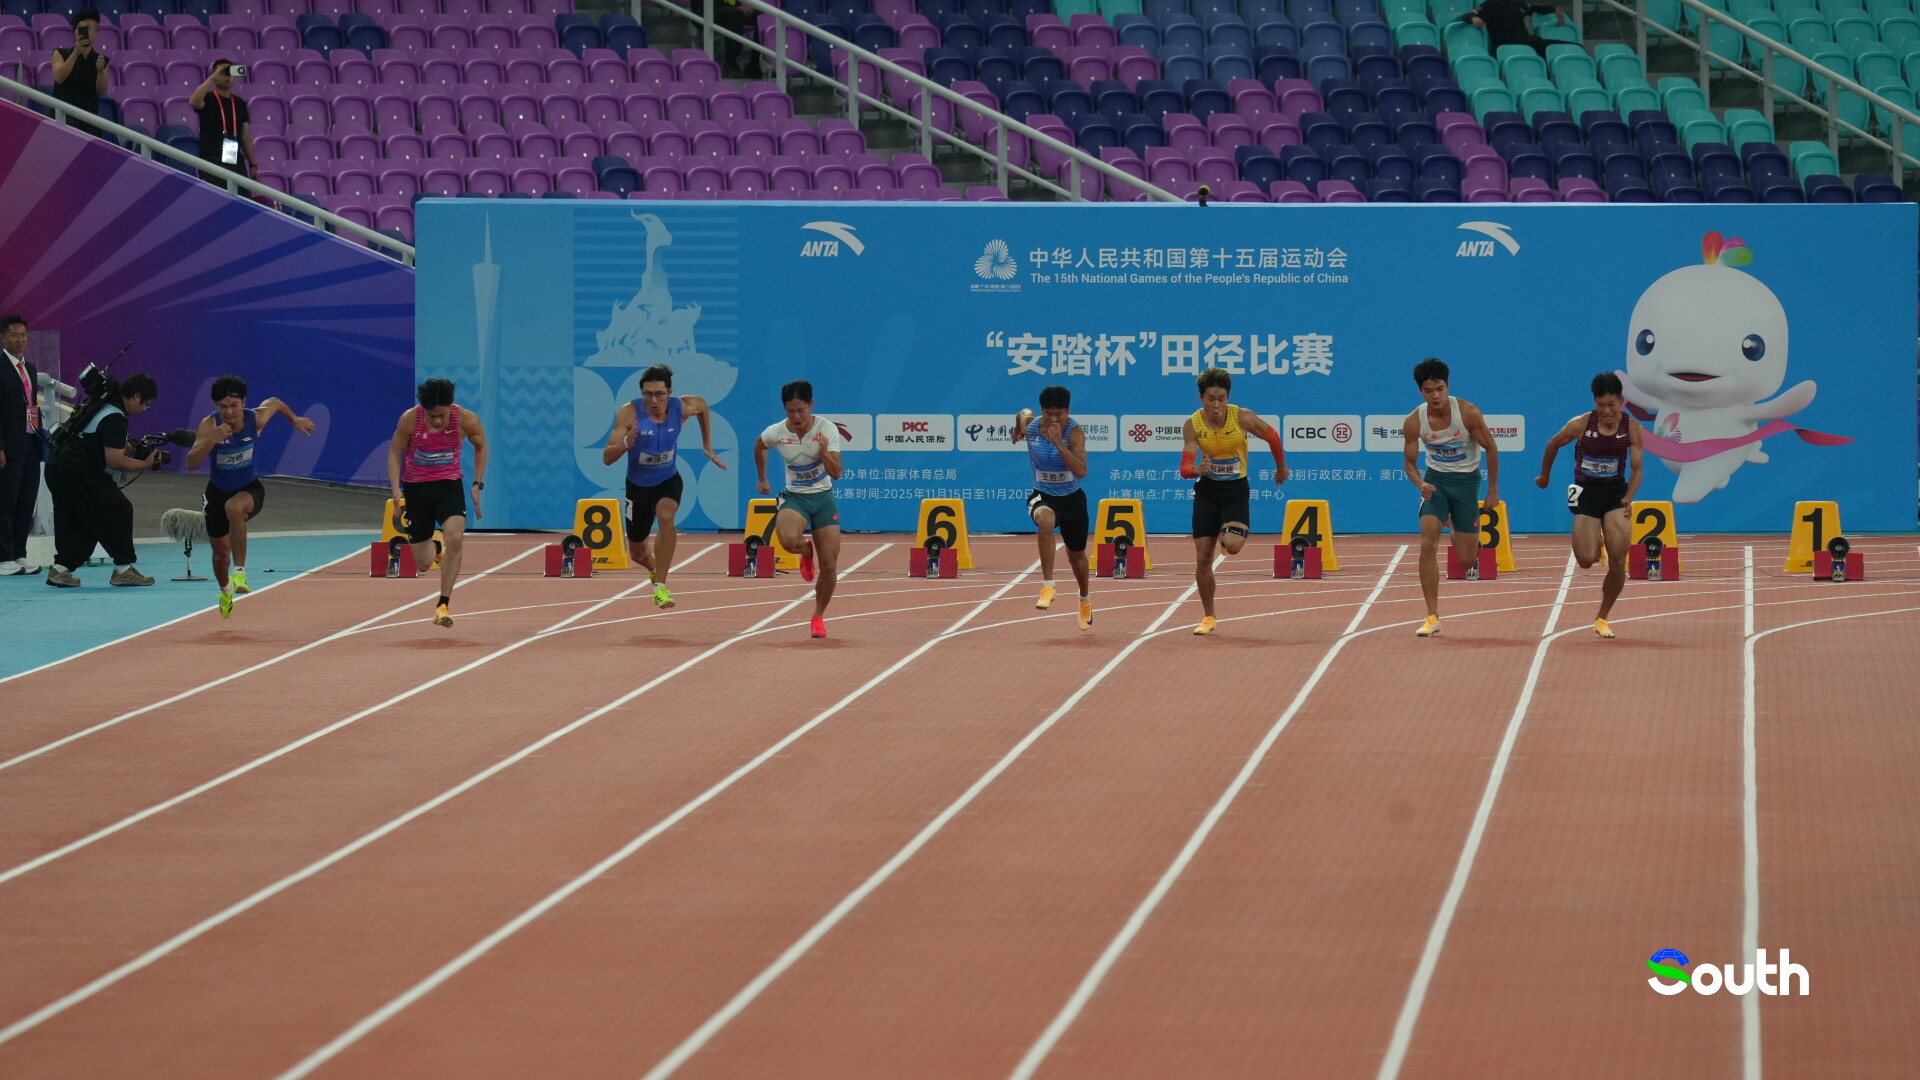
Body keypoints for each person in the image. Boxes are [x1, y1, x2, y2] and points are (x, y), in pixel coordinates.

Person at [185, 375, 316, 617]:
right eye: (223, 407)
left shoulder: (255, 418)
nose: (229, 412)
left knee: (235, 508)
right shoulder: (209, 426)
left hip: (249, 488)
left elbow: (275, 402)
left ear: (243, 402)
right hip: (216, 494)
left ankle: (240, 573)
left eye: (234, 406)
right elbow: (191, 462)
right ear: (216, 407)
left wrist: (295, 420)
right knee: (220, 555)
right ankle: (225, 592)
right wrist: (211, 441)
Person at [599, 363, 724, 609]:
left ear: (669, 392)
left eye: (659, 394)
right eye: (648, 394)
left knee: (666, 516)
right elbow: (606, 457)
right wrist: (625, 443)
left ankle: (661, 587)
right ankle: (654, 569)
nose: (653, 400)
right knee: (638, 553)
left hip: (668, 480)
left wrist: (707, 446)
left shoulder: (681, 407)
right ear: (642, 393)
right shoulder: (629, 413)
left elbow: (702, 406)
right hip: (637, 487)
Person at [1534, 372, 1644, 639]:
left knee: (1619, 562)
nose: (1606, 411)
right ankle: (1598, 542)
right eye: (1601, 405)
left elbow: (1638, 469)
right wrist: (1545, 476)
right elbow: (1553, 444)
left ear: (1620, 401)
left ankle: (1602, 617)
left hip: (1615, 495)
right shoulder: (1580, 424)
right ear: (1594, 402)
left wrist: (1629, 496)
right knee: (1585, 560)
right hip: (1586, 493)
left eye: (1611, 404)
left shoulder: (1632, 428)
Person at [1179, 366, 1287, 636]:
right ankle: (1208, 616)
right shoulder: (1192, 424)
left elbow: (1272, 436)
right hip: (1207, 491)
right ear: (1201, 398)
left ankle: (1228, 537)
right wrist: (1196, 470)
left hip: (1236, 490)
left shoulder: (1242, 418)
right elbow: (1184, 468)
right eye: (1210, 399)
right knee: (1203, 558)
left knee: (1233, 546)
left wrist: (1281, 467)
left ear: (1228, 397)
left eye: (1221, 398)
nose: (1216, 405)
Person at [1402, 357, 1501, 638]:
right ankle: (1432, 615)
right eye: (1429, 391)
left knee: (1468, 560)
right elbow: (1409, 463)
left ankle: (1455, 525)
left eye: (1440, 389)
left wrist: (1492, 490)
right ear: (1421, 391)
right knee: (1427, 542)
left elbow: (1491, 449)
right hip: (1436, 482)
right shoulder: (1414, 421)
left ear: (1448, 386)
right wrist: (1420, 483)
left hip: (1467, 483)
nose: (1435, 396)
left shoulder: (1468, 413)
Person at [386, 378, 487, 628]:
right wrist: (396, 488)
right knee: (422, 563)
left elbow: (481, 447)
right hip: (417, 489)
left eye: (442, 414)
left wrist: (476, 484)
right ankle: (436, 549)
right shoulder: (410, 419)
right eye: (432, 416)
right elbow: (395, 452)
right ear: (424, 409)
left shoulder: (466, 419)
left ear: (450, 407)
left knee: (456, 537)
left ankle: (443, 604)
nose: (438, 421)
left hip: (448, 486)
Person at [44, 373, 160, 588]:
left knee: (80, 520)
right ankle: (124, 569)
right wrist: (146, 465)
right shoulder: (116, 416)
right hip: (79, 471)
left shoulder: (101, 404)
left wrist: (133, 449)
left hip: (56, 467)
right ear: (136, 396)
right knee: (119, 509)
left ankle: (61, 570)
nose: (144, 410)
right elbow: (115, 460)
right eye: (146, 404)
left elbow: (97, 438)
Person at [753, 379, 843, 639]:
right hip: (796, 497)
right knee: (787, 540)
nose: (796, 416)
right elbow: (759, 446)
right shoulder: (777, 432)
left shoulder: (827, 429)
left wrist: (824, 452)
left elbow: (837, 473)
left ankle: (817, 616)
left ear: (811, 405)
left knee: (829, 565)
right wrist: (762, 478)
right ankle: (805, 550)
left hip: (823, 498)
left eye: (801, 410)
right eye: (791, 411)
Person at [1011, 385, 1093, 630]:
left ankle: (1084, 599)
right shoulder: (1032, 425)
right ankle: (1048, 585)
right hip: (1042, 495)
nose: (1055, 419)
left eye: (1060, 414)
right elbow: (1022, 414)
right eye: (1049, 414)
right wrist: (1017, 432)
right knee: (1044, 521)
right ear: (1042, 411)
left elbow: (1081, 471)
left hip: (1072, 499)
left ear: (1068, 411)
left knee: (1076, 556)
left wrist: (1059, 444)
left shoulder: (1074, 433)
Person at [0, 315, 46, 577]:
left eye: (24, 335)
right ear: (3, 338)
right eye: (14, 335)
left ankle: (19, 552)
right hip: (8, 447)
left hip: (29, 443)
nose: (20, 340)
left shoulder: (30, 367)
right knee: (6, 502)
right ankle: (3, 555)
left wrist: (38, 437)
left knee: (25, 501)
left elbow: (32, 406)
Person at [189, 59, 256, 185]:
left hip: (235, 160)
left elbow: (245, 135)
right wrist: (212, 78)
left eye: (229, 72)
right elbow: (194, 101)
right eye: (222, 73)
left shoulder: (239, 103)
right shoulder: (208, 98)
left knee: (242, 199)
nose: (227, 76)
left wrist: (253, 164)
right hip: (212, 160)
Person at [50, 9, 109, 138]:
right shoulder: (60, 53)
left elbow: (100, 91)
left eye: (88, 28)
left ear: (97, 33)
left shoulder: (101, 60)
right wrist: (75, 54)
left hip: (89, 122)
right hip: (62, 118)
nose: (83, 32)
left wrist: (100, 72)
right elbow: (59, 77)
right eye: (79, 28)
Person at [1459, 0, 1565, 58]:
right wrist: (1475, 19)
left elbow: (1538, 8)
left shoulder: (1520, 3)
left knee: (1570, 46)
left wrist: (1555, 9)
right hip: (1507, 42)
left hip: (1525, 40)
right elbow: (1469, 14)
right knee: (1544, 45)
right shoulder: (1492, 4)